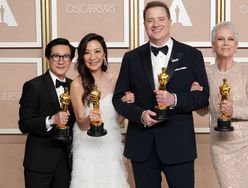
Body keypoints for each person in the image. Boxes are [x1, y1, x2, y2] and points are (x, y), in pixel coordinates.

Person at [112, 1, 209, 187]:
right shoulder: (131, 58)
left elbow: (203, 96)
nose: (156, 24)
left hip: (179, 145)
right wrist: (140, 114)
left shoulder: (192, 55)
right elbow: (119, 99)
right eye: (150, 20)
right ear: (144, 25)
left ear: (171, 21)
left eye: (161, 19)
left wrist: (175, 99)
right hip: (142, 144)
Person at [192, 21, 248, 188]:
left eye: (230, 39)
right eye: (220, 39)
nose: (226, 43)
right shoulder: (207, 73)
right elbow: (203, 111)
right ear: (213, 44)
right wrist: (195, 96)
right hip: (220, 144)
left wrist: (234, 110)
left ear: (236, 45)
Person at [69, 33, 133, 188]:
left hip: (111, 143)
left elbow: (117, 120)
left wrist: (128, 105)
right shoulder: (77, 84)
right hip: (86, 146)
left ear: (104, 53)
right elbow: (82, 124)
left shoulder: (116, 81)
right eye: (87, 52)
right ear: (82, 56)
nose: (92, 57)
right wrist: (90, 119)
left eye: (97, 51)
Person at [19, 38, 76, 188]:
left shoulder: (75, 86)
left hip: (67, 163)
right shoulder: (33, 86)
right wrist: (51, 120)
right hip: (39, 163)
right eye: (56, 56)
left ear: (71, 60)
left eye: (66, 57)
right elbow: (24, 124)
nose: (61, 61)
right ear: (47, 59)